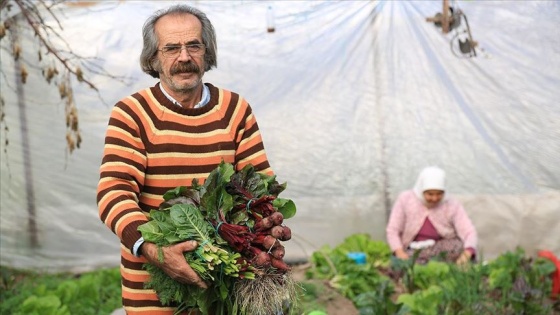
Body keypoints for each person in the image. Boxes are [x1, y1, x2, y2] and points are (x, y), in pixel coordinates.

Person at [96, 4, 273, 314]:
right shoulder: (132, 114)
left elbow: (259, 186)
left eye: (194, 45)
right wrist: (157, 251)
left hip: (228, 280)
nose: (184, 57)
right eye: (171, 48)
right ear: (153, 58)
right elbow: (114, 193)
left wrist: (264, 234)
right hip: (153, 289)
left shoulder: (235, 110)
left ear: (207, 52)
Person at [385, 166, 477, 265]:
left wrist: (467, 253)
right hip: (413, 250)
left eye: (439, 194)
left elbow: (469, 231)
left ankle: (427, 264)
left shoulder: (451, 204)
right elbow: (393, 230)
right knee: (402, 264)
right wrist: (399, 253)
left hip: (441, 249)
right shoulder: (405, 199)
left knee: (456, 246)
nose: (434, 198)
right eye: (430, 194)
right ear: (421, 190)